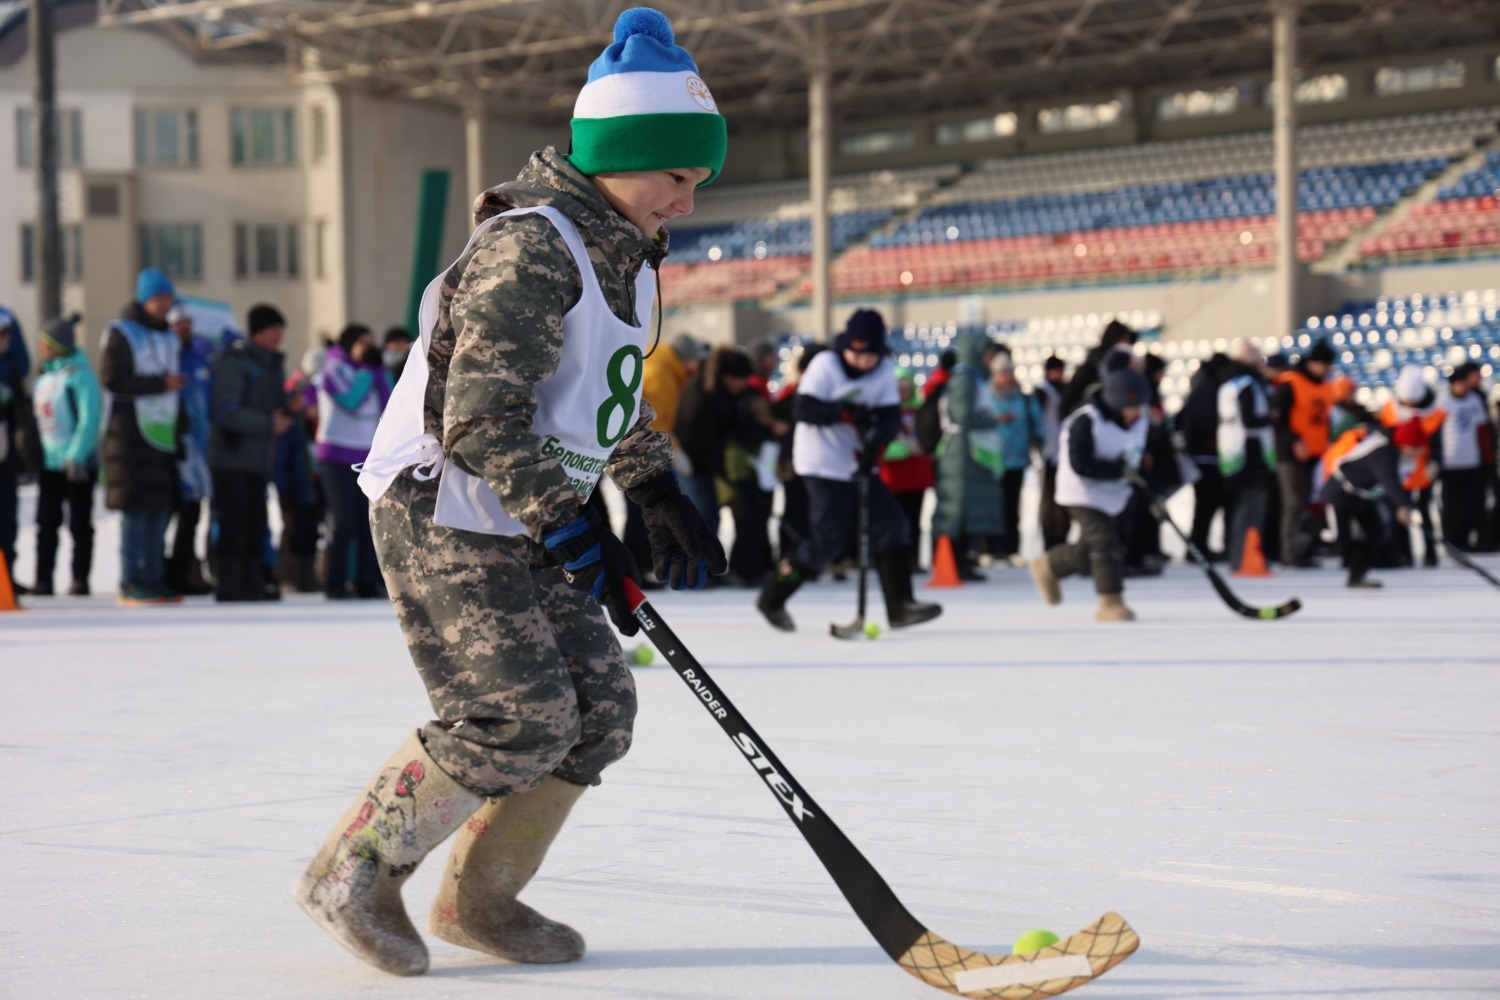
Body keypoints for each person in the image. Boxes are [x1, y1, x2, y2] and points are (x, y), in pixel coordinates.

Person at [296, 7, 728, 978]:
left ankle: (477, 896)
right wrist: (573, 519)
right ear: (622, 155)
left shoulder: (631, 259)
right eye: (676, 175)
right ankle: (350, 871)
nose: (687, 201)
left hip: (525, 509)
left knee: (599, 711)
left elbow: (601, 399)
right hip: (443, 504)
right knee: (515, 710)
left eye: (698, 181)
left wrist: (654, 488)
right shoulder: (532, 246)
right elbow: (482, 418)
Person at [756, 308, 940, 632]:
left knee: (892, 524)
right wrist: (844, 412)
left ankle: (900, 606)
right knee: (827, 542)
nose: (862, 361)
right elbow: (804, 408)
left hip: (856, 461)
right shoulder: (826, 365)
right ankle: (773, 597)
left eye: (869, 354)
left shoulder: (884, 370)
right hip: (821, 462)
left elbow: (888, 416)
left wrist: (876, 447)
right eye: (856, 353)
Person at [1030, 365, 1150, 622]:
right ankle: (1110, 601)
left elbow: (1136, 458)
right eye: (1131, 407)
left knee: (1093, 549)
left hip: (1114, 492)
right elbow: (1080, 464)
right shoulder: (1085, 421)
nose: (1136, 412)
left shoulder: (1139, 422)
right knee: (1105, 539)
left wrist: (1150, 488)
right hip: (1081, 491)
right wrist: (1119, 470)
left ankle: (1049, 566)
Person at [101, 268, 186, 605]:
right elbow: (113, 379)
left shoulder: (170, 336)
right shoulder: (121, 333)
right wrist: (159, 384)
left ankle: (153, 576)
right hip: (128, 435)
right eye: (158, 298)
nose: (165, 304)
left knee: (159, 508)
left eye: (168, 298)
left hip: (161, 435)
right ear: (144, 299)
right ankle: (130, 580)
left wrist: (182, 428)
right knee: (135, 511)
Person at [209, 304, 292, 602]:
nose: (278, 335)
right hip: (231, 457)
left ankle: (252, 582)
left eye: (280, 329)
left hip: (256, 457)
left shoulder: (271, 362)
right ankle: (231, 585)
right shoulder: (237, 361)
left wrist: (289, 408)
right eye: (273, 328)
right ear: (258, 331)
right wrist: (269, 423)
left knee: (255, 523)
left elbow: (272, 404)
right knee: (234, 523)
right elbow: (226, 411)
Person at [315, 323, 393, 598]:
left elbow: (389, 403)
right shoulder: (334, 368)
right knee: (344, 520)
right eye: (364, 343)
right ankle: (335, 581)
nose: (369, 348)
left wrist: (379, 372)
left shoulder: (371, 371)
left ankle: (365, 581)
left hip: (368, 455)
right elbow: (351, 400)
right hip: (336, 454)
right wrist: (368, 372)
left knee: (366, 522)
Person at [28, 314, 101, 596]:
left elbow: (90, 418)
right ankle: (43, 578)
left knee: (80, 524)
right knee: (46, 523)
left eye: (45, 343)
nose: (40, 348)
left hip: (77, 463)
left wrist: (77, 455)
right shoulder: (43, 377)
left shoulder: (81, 376)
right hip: (49, 463)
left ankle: (79, 578)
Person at [627, 331, 708, 577]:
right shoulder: (662, 376)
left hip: (637, 448)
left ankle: (640, 566)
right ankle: (638, 566)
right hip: (641, 453)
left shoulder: (661, 366)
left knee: (642, 511)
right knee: (642, 512)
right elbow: (657, 422)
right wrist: (675, 449)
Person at [928, 331, 1003, 581]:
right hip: (960, 454)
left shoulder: (972, 378)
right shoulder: (965, 378)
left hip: (966, 452)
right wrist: (991, 422)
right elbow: (961, 414)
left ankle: (961, 561)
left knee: (965, 510)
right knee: (956, 509)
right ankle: (951, 562)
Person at [1271, 341, 1352, 566]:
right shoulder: (1291, 383)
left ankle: (1304, 548)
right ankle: (1289, 552)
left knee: (1308, 505)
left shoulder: (1325, 387)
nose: (1326, 369)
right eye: (1322, 364)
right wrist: (1294, 442)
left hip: (1316, 454)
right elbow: (1278, 420)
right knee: (1294, 503)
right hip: (1291, 453)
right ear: (1311, 362)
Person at [1320, 420, 1421, 588]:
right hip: (1340, 493)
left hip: (1362, 498)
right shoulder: (1382, 452)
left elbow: (1390, 485)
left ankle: (1356, 577)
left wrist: (1400, 506)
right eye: (1416, 448)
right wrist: (1402, 505)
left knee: (1375, 533)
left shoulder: (1398, 455)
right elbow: (1388, 481)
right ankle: (1308, 532)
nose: (1419, 452)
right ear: (1406, 445)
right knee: (1340, 541)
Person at [165, 305, 216, 596]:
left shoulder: (199, 358)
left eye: (186, 324)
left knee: (193, 513)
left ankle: (186, 571)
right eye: (177, 324)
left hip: (199, 449)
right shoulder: (166, 360)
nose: (183, 329)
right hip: (173, 447)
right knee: (174, 513)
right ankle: (169, 572)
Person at [1216, 339, 1275, 572]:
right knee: (1251, 508)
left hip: (1232, 453)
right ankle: (1245, 557)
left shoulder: (1228, 383)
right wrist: (1272, 417)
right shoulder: (1248, 384)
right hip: (1249, 453)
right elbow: (1249, 420)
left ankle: (1239, 555)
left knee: (1239, 507)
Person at [1379, 364, 1445, 566]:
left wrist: (1435, 463)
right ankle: (1403, 553)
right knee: (1401, 509)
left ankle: (1430, 554)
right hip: (1400, 468)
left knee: (1425, 509)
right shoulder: (1390, 409)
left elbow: (1437, 442)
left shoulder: (1434, 412)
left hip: (1423, 466)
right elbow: (1387, 440)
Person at [980, 352, 1041, 565]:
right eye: (1002, 373)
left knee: (1013, 506)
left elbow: (1037, 424)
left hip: (1017, 459)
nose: (1006, 378)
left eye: (1009, 373)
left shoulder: (1023, 398)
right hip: (991, 459)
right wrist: (996, 420)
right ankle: (988, 549)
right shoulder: (985, 396)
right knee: (990, 506)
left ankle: (1011, 548)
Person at [877, 367, 935, 572]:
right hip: (893, 475)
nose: (903, 392)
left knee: (915, 520)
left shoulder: (920, 411)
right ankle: (893, 563)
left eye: (906, 388)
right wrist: (899, 450)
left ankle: (914, 559)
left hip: (916, 473)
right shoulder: (886, 413)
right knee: (894, 522)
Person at [1179, 352, 1231, 561]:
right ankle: (1197, 548)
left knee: (1206, 504)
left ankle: (1198, 547)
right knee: (1206, 504)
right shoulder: (1206, 388)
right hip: (1205, 454)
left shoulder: (1202, 384)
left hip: (1203, 453)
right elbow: (1207, 422)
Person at [1438, 362, 1493, 552]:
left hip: (1472, 462)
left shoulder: (1474, 401)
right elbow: (1434, 432)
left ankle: (1467, 539)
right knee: (1451, 506)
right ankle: (1452, 541)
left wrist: (1488, 459)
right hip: (1450, 463)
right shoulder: (1443, 402)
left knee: (1473, 505)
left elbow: (1483, 431)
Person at [0, 306, 30, 582]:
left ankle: (6, 575)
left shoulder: (10, 365)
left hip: (6, 450)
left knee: (7, 514)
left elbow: (23, 365)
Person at [1060, 318, 1136, 416]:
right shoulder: (1091, 368)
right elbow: (1069, 401)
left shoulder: (1125, 369)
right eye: (1124, 341)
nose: (1126, 347)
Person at [1033, 355, 1070, 550]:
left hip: (1063, 454)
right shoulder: (1042, 392)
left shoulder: (1063, 391)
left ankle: (1062, 537)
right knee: (1049, 501)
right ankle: (1050, 540)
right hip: (1048, 453)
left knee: (1064, 499)